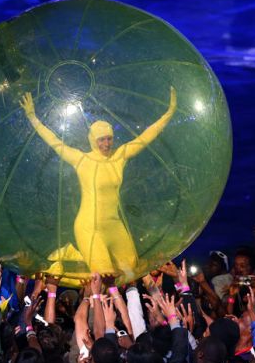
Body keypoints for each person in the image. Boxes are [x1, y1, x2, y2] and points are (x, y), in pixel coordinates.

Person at [20, 87, 177, 281]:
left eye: (109, 138)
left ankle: (76, 257)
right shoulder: (81, 159)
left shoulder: (119, 156)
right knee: (105, 278)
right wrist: (32, 117)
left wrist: (169, 113)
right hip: (89, 227)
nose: (106, 143)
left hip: (114, 225)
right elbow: (53, 141)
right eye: (101, 139)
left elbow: (145, 137)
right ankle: (75, 260)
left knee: (131, 273)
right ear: (93, 140)